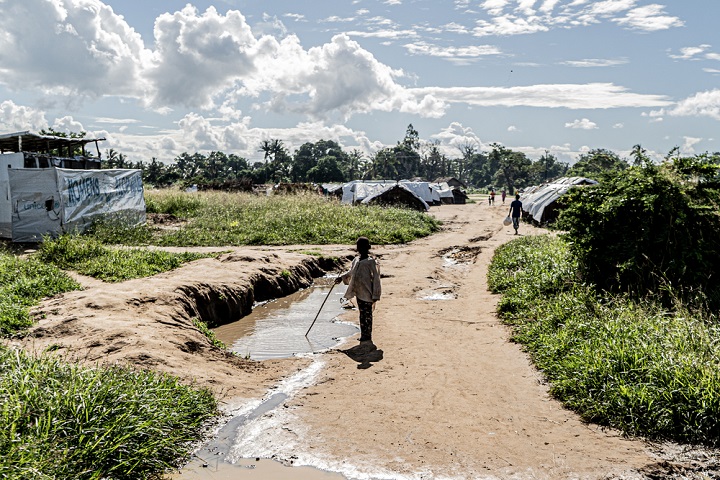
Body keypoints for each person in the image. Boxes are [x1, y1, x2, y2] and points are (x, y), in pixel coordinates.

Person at [335, 237, 382, 344]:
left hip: (368, 293)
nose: (360, 248)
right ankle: (363, 335)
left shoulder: (371, 262)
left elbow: (376, 279)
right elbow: (351, 273)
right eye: (359, 246)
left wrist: (376, 294)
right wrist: (341, 278)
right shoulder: (356, 260)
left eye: (363, 246)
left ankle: (367, 336)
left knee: (367, 315)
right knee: (362, 314)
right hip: (359, 292)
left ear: (368, 247)